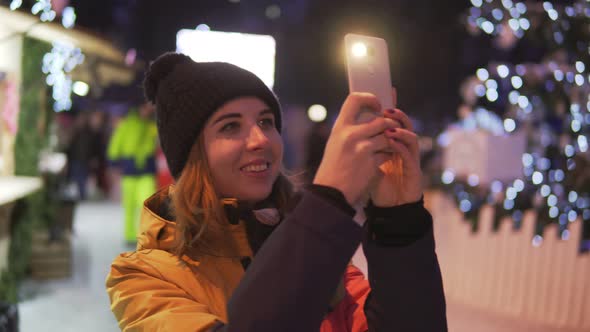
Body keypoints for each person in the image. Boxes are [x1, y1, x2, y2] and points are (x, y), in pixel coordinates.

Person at [106, 53, 447, 331]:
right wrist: (329, 199)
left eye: (266, 121)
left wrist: (398, 220)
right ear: (193, 156)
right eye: (230, 126)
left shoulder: (322, 256)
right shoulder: (142, 277)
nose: (260, 140)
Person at [106, 102, 158, 244]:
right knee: (129, 205)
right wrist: (113, 163)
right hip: (130, 170)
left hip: (146, 170)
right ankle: (129, 235)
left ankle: (145, 235)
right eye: (145, 106)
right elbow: (115, 146)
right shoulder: (126, 125)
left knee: (147, 205)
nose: (147, 110)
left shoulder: (152, 125)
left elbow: (159, 141)